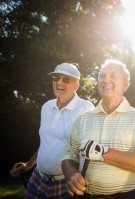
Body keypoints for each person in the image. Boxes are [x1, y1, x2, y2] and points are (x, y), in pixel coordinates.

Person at [61, 59, 135, 199]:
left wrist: (103, 153)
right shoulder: (82, 119)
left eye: (113, 76)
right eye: (102, 76)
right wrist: (71, 174)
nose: (106, 80)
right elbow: (68, 155)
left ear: (125, 84)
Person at [9, 63, 95, 198]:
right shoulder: (46, 107)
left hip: (65, 184)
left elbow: (90, 148)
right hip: (38, 177)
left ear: (76, 86)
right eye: (56, 78)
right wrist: (28, 165)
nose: (59, 82)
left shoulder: (86, 108)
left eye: (66, 79)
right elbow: (45, 143)